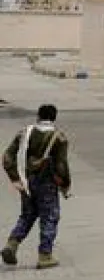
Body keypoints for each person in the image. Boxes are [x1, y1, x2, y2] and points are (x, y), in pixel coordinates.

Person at [3, 104, 72, 269]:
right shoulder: (59, 138)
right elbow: (61, 165)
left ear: (38, 116)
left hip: (26, 181)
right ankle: (45, 255)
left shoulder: (24, 133)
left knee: (27, 215)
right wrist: (65, 184)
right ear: (54, 118)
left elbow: (7, 157)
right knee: (49, 217)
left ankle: (11, 244)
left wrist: (15, 177)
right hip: (46, 183)